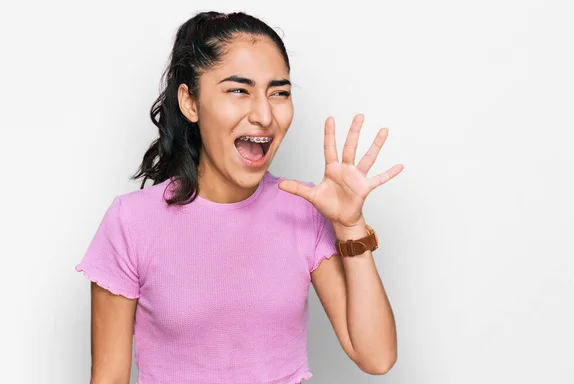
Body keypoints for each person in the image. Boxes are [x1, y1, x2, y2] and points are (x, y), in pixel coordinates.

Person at [75, 10, 403, 384]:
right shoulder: (131, 223)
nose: (264, 114)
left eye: (279, 93)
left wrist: (350, 225)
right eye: (239, 90)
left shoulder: (303, 213)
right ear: (190, 103)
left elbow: (376, 357)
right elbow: (109, 378)